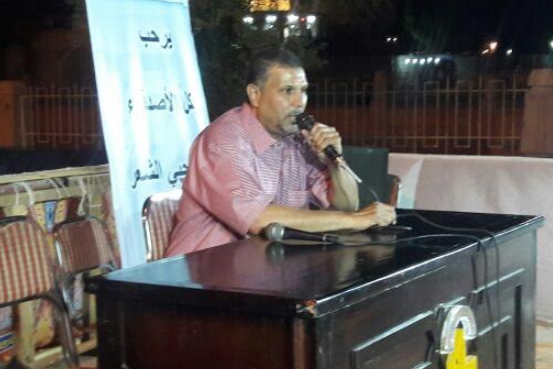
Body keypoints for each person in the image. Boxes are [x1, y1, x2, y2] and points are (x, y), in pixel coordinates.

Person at [165, 48, 396, 257]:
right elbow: (259, 219)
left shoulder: (300, 141)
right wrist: (356, 220)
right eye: (287, 91)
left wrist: (334, 162)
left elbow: (346, 207)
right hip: (205, 274)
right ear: (255, 95)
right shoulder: (223, 141)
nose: (299, 103)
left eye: (303, 90)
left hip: (269, 266)